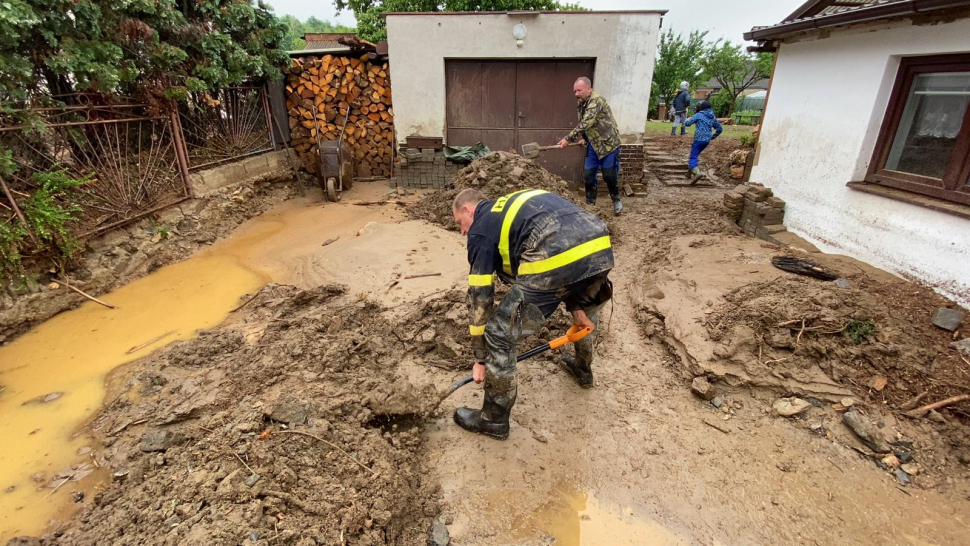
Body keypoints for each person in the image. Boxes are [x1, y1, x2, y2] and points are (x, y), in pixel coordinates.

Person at [451, 187, 614, 440]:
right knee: (586, 318)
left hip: (555, 252)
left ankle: (493, 419)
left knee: (499, 335)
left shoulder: (481, 229)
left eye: (460, 224)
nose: (462, 232)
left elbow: (480, 296)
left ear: (468, 210)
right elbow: (570, 249)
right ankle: (584, 370)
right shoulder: (511, 208)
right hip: (599, 246)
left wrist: (480, 358)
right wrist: (575, 304)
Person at [557, 77, 623, 215]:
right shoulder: (582, 103)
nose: (576, 94)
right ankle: (590, 204)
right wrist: (585, 138)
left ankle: (617, 201)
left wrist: (568, 138)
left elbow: (587, 122)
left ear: (589, 88)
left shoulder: (596, 100)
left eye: (579, 90)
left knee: (609, 176)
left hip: (608, 145)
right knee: (588, 176)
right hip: (593, 146)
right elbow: (588, 125)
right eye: (575, 91)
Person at [684, 99, 723, 183]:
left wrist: (687, 119)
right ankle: (689, 173)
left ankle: (697, 173)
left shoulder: (698, 115)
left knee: (693, 157)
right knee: (695, 154)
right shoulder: (712, 117)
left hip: (698, 139)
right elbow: (719, 129)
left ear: (701, 108)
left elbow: (687, 124)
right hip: (706, 140)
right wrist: (712, 137)